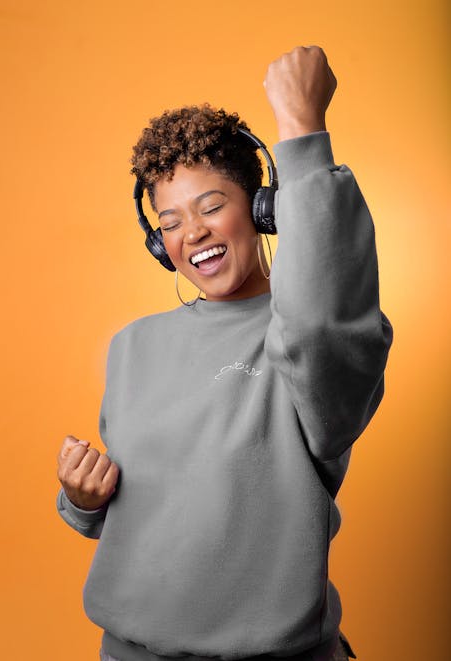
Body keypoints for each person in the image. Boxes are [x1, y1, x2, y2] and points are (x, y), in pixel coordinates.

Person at [56, 45, 393, 661]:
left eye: (212, 206)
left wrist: (302, 131)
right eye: (171, 221)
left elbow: (320, 315)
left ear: (263, 210)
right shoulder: (133, 345)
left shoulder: (318, 339)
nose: (193, 233)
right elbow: (148, 509)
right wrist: (83, 500)